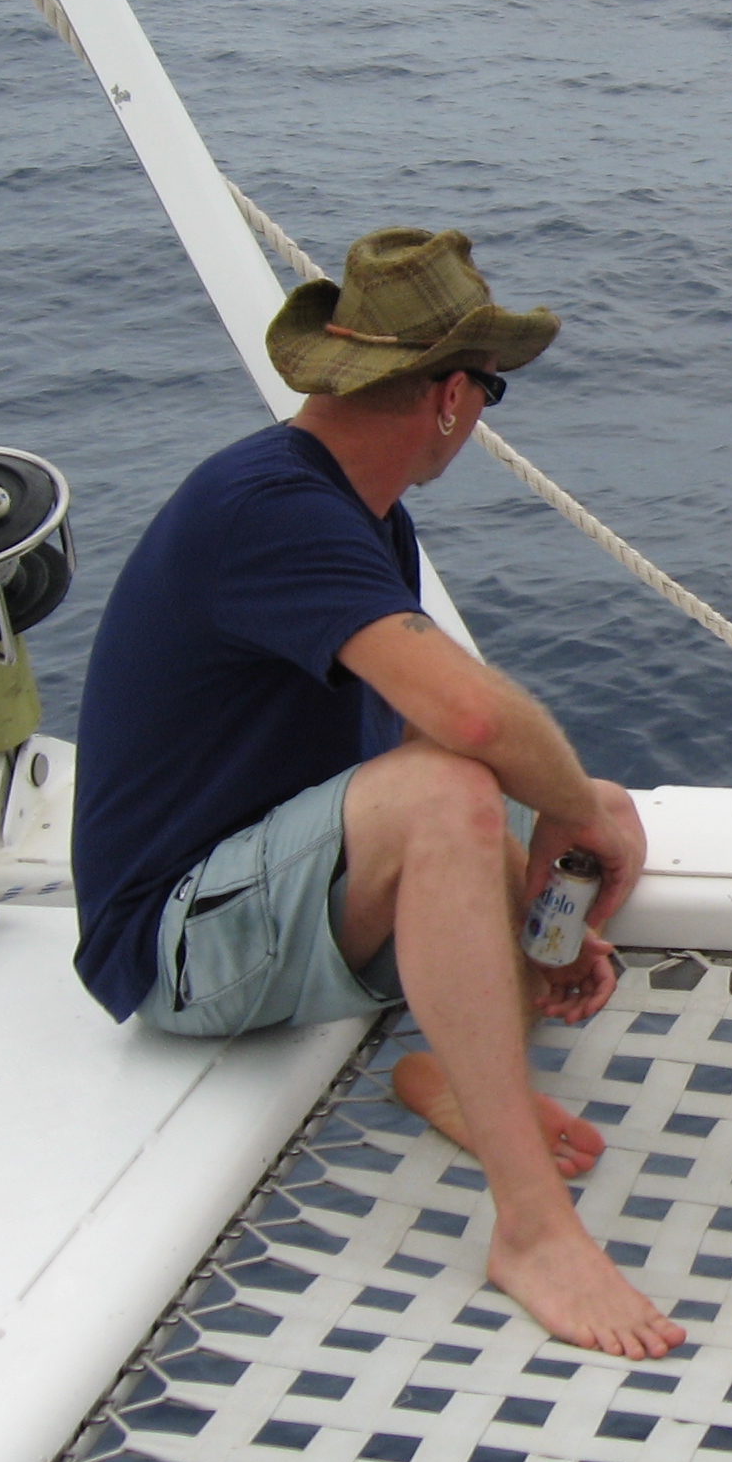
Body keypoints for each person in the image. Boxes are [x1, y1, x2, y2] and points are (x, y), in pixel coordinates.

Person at [72, 227, 673, 1360]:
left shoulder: (360, 515)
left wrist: (539, 887)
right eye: (487, 390)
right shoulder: (268, 510)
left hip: (274, 885)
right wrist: (562, 816)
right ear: (449, 398)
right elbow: (472, 725)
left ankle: (459, 1060)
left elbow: (408, 726)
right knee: (474, 796)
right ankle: (531, 1229)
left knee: (586, 806)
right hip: (175, 943)